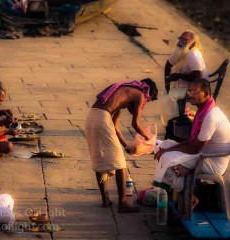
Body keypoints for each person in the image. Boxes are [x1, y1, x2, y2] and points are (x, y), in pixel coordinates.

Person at [154, 78, 230, 208]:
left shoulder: (211, 116)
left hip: (211, 162)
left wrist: (167, 153)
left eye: (195, 91)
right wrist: (166, 149)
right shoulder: (202, 110)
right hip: (201, 154)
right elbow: (190, 141)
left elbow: (195, 149)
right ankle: (184, 186)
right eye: (189, 91)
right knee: (162, 145)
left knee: (165, 158)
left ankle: (187, 195)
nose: (190, 95)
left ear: (206, 93)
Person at [85, 79, 158, 213]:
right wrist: (150, 139)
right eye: (149, 100)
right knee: (120, 164)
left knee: (99, 158)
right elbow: (136, 124)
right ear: (148, 93)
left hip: (92, 116)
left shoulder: (121, 94)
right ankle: (123, 203)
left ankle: (105, 200)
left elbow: (116, 128)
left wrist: (126, 146)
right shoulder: (140, 94)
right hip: (101, 119)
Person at [161, 30, 208, 126]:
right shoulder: (180, 49)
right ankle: (172, 123)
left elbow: (198, 77)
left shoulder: (193, 55)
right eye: (180, 38)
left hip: (198, 88)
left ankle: (175, 122)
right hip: (185, 85)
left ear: (192, 42)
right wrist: (167, 83)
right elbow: (168, 65)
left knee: (171, 95)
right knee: (165, 95)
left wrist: (178, 76)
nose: (181, 42)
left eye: (185, 40)